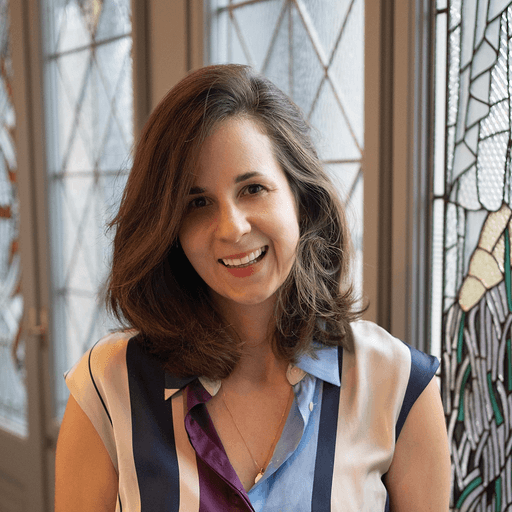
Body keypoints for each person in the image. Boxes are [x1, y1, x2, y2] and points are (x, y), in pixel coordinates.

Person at [54, 64, 451, 512]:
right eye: (197, 202)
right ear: (170, 227)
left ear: (301, 199)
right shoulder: (108, 386)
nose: (232, 227)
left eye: (253, 189)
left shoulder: (400, 386)